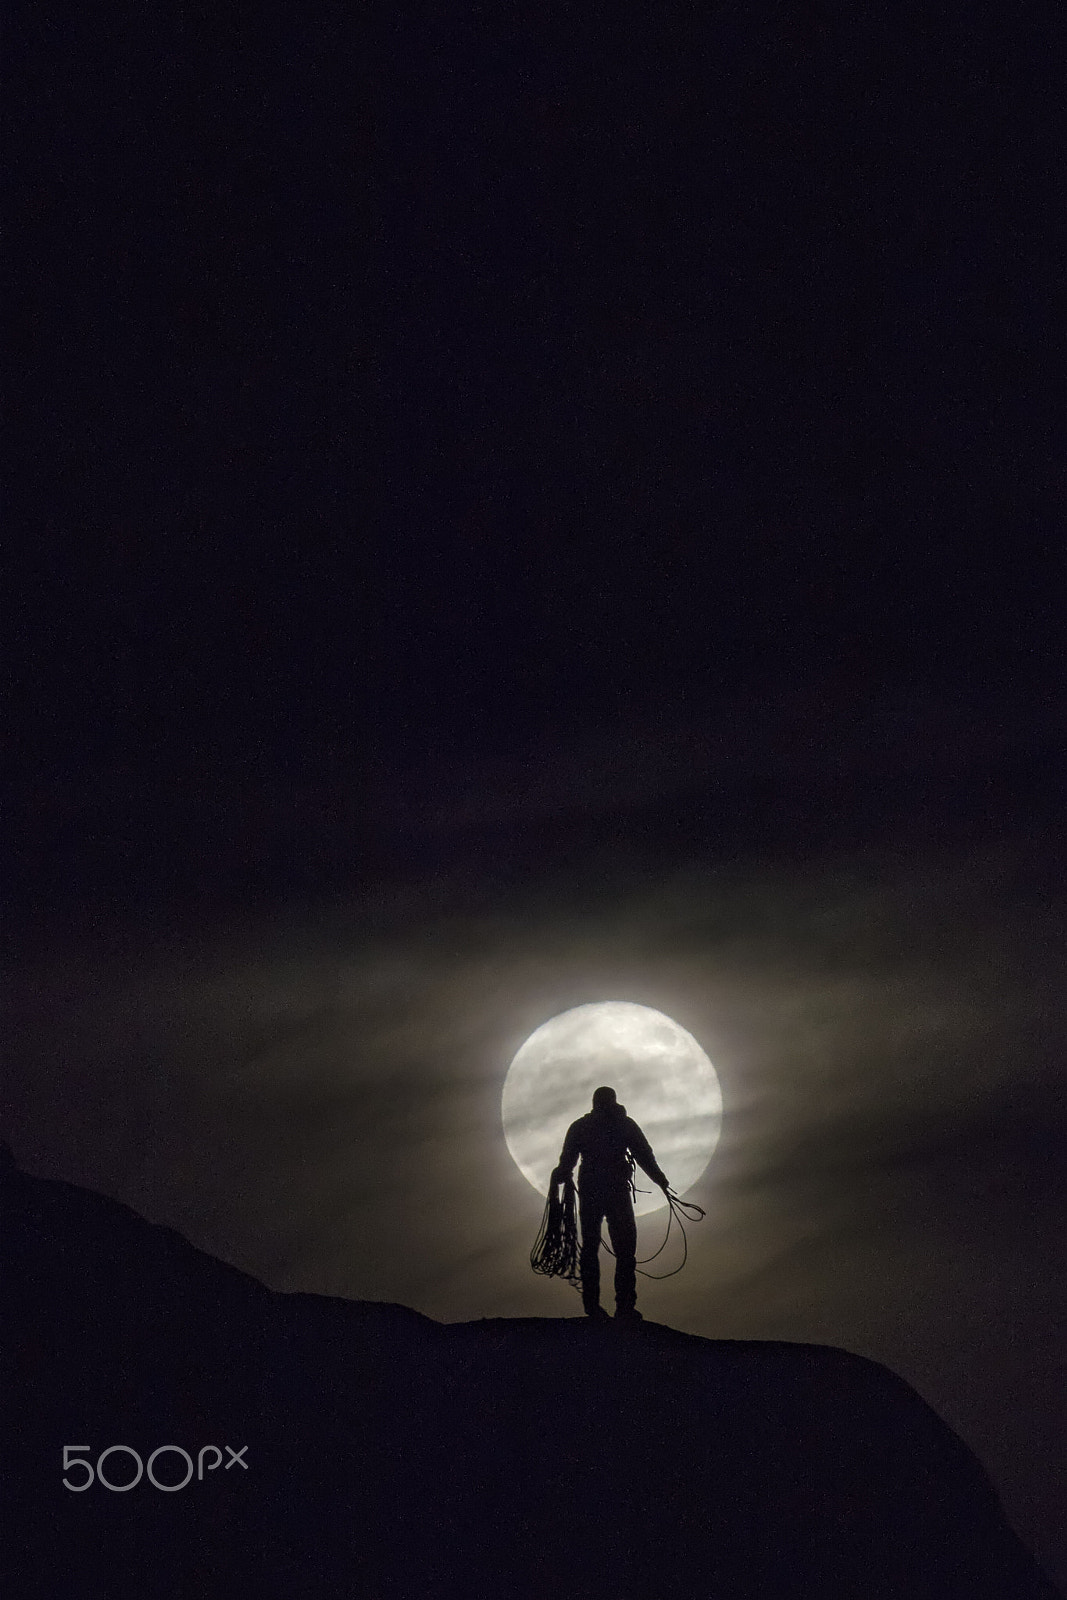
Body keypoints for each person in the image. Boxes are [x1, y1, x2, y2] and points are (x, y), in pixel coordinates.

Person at [551, 1085, 669, 1322]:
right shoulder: (624, 1125)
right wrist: (661, 1182)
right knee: (624, 1249)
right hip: (615, 1191)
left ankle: (594, 1306)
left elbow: (567, 1162)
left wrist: (561, 1175)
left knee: (592, 1247)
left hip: (592, 1190)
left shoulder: (580, 1126)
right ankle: (623, 1307)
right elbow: (644, 1155)